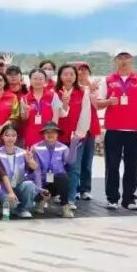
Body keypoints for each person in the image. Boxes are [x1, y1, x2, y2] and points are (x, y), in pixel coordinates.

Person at [96, 51, 137, 211]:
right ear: (115, 61)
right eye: (120, 58)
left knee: (132, 166)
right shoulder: (108, 80)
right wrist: (108, 102)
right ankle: (112, 199)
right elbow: (98, 104)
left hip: (134, 130)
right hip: (113, 130)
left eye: (126, 57)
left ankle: (129, 199)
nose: (124, 61)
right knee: (112, 165)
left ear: (131, 60)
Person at [55, 63, 92, 208]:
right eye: (65, 74)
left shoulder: (82, 93)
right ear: (60, 76)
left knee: (74, 168)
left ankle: (70, 199)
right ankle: (60, 195)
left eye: (72, 74)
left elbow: (86, 114)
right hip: (58, 137)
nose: (69, 77)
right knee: (59, 168)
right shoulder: (55, 93)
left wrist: (79, 134)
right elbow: (56, 115)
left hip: (75, 137)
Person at [0, 125, 37, 219]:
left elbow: (35, 167)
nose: (10, 138)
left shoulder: (23, 152)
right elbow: (2, 175)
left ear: (16, 137)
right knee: (10, 205)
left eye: (13, 135)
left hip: (19, 185)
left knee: (30, 185)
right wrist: (10, 192)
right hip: (3, 188)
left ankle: (24, 209)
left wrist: (29, 160)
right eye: (7, 135)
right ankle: (8, 207)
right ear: (2, 137)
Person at [30, 122, 76, 218]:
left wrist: (74, 143)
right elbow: (36, 171)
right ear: (43, 134)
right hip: (41, 181)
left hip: (56, 179)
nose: (50, 134)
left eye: (53, 132)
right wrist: (39, 189)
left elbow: (70, 161)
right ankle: (40, 200)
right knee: (34, 185)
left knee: (63, 178)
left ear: (58, 134)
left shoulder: (63, 148)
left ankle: (65, 207)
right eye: (47, 132)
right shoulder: (35, 148)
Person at [73, 62, 102, 201]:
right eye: (79, 70)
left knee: (87, 161)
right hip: (75, 130)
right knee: (75, 161)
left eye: (85, 70)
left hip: (90, 130)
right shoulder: (72, 88)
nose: (82, 72)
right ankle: (75, 188)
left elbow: (98, 105)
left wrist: (92, 91)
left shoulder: (94, 88)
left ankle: (85, 189)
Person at [20, 69, 63, 147]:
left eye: (41, 79)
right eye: (35, 79)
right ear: (30, 80)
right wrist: (26, 112)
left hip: (49, 134)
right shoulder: (24, 98)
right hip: (31, 134)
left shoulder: (54, 95)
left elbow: (56, 117)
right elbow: (23, 119)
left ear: (45, 80)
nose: (38, 81)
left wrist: (52, 133)